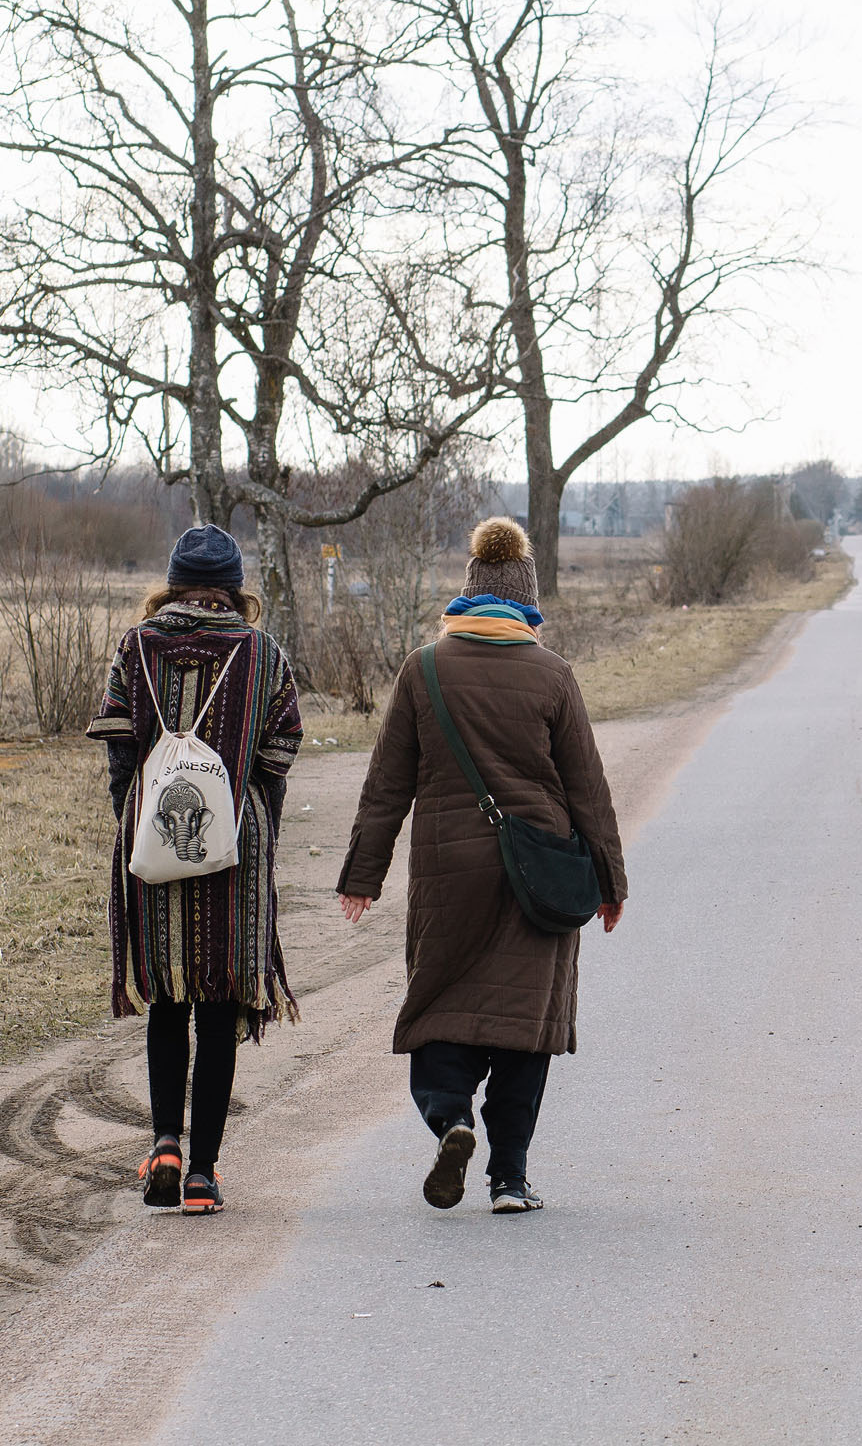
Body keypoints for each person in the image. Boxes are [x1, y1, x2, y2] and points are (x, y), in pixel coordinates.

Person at [335, 517, 627, 1214]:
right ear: (528, 605)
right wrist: (610, 883)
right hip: (541, 876)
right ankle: (509, 1179)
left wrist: (362, 877)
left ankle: (451, 1119)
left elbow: (387, 785)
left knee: (440, 1005)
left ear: (466, 596)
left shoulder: (424, 669)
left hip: (449, 874)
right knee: (524, 1024)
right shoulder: (553, 675)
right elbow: (588, 789)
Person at [88, 525, 302, 1216]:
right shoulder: (262, 654)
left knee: (166, 999)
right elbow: (279, 752)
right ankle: (204, 1175)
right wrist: (258, 826)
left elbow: (119, 749)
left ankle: (165, 1147)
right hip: (234, 852)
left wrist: (135, 819)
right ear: (234, 590)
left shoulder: (137, 647)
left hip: (151, 847)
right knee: (217, 1006)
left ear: (173, 585)